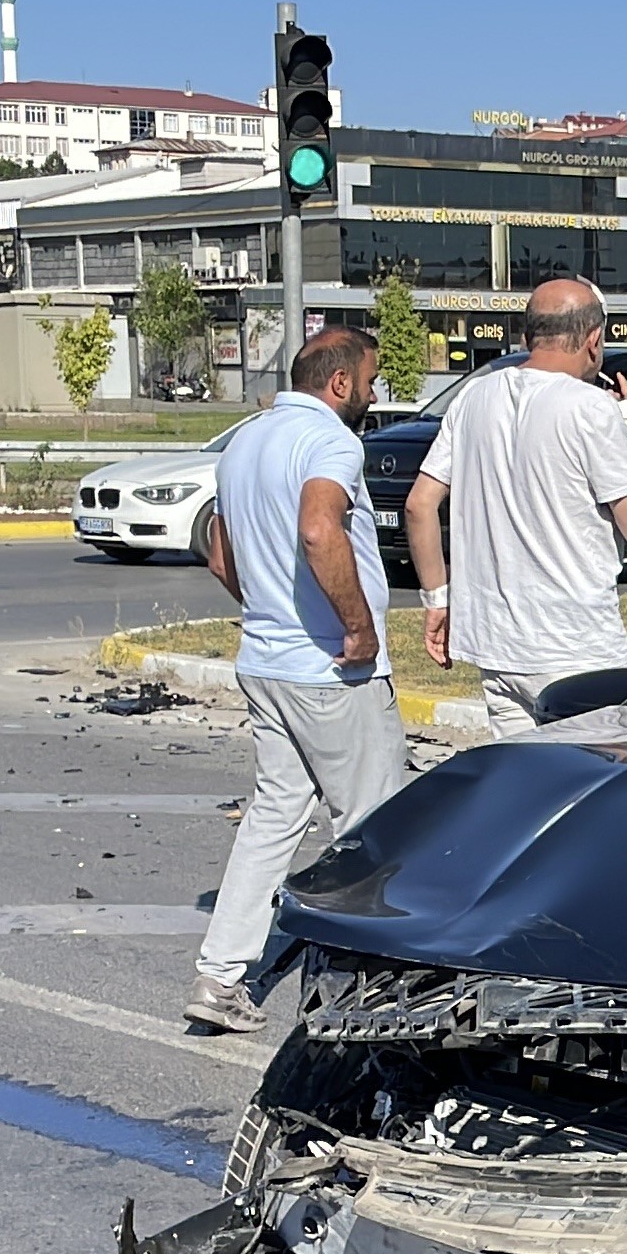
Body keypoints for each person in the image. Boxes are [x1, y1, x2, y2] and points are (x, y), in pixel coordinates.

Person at [184, 326, 407, 1034]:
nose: (374, 394)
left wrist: (265, 611)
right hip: (331, 671)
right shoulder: (333, 443)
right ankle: (364, 986)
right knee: (374, 825)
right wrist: (358, 626)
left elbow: (220, 546)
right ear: (339, 383)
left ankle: (220, 976)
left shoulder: (247, 438)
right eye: (369, 381)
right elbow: (319, 530)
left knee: (275, 816)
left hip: (267, 662)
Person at [402, 279, 627, 735]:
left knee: (529, 791)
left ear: (527, 337)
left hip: (496, 647)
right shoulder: (589, 408)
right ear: (593, 340)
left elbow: (420, 504)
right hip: (576, 648)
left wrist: (437, 600)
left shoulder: (473, 397)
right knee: (603, 787)